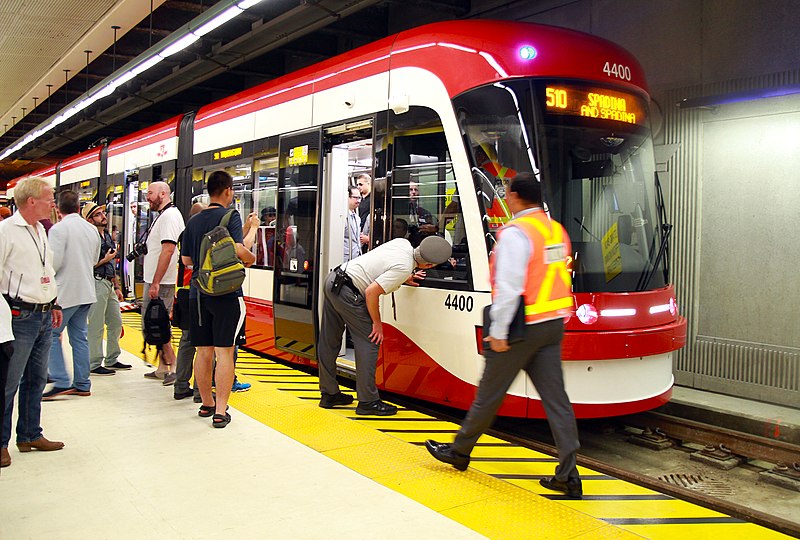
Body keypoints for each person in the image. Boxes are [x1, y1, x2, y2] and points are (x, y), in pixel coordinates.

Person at [425, 173, 582, 499]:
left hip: (519, 327)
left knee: (489, 394)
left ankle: (460, 451)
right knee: (558, 402)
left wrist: (497, 331)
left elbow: (510, 288)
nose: (505, 197)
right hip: (552, 325)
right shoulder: (555, 230)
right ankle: (569, 474)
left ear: (515, 196)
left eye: (507, 193)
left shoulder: (515, 234)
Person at [317, 235, 452, 416]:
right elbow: (371, 292)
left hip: (334, 279)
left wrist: (402, 278)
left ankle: (329, 394)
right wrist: (377, 323)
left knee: (329, 340)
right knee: (369, 341)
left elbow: (382, 264)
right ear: (428, 265)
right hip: (349, 292)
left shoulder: (402, 243)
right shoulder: (404, 268)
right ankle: (368, 402)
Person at [180, 170, 255, 428]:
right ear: (227, 191)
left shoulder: (193, 221)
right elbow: (236, 249)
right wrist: (251, 257)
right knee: (225, 353)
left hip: (197, 294)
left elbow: (187, 260)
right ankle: (221, 411)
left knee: (203, 352)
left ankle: (206, 403)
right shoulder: (230, 216)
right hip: (225, 294)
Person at [0, 177, 64, 469]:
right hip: (18, 315)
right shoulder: (6, 232)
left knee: (36, 379)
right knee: (8, 383)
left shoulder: (41, 230)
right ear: (31, 201)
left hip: (42, 314)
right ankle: (1, 443)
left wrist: (54, 301)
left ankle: (29, 434)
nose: (53, 203)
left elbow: (46, 270)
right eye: (49, 197)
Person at [44, 191, 101, 400]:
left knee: (51, 334)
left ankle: (60, 380)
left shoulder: (59, 229)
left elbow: (54, 263)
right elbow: (95, 259)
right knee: (79, 337)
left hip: (65, 293)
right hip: (87, 290)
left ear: (58, 210)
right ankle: (82, 383)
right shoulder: (91, 229)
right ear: (78, 208)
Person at [142, 181, 185, 384]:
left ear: (163, 193)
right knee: (155, 323)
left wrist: (156, 282)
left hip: (162, 282)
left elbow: (168, 250)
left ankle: (174, 367)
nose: (147, 197)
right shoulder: (163, 216)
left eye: (150, 193)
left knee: (160, 324)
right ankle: (162, 367)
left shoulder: (169, 216)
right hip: (156, 280)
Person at [83, 202, 129, 376]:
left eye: (103, 213)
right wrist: (105, 259)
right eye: (98, 214)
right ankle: (94, 362)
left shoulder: (107, 236)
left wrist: (117, 286)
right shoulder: (89, 237)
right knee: (96, 324)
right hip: (96, 281)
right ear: (89, 219)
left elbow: (111, 263)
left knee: (116, 322)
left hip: (108, 284)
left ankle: (112, 358)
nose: (103, 216)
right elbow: (87, 264)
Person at [344, 186, 362, 263]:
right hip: (344, 259)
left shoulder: (357, 218)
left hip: (356, 258)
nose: (358, 200)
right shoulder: (342, 218)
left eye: (359, 198)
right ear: (347, 197)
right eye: (355, 198)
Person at [356, 173, 371, 250]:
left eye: (361, 184)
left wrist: (369, 237)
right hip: (359, 233)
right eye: (357, 184)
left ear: (368, 184)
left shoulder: (374, 199)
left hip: (367, 234)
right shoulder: (358, 199)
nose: (358, 187)